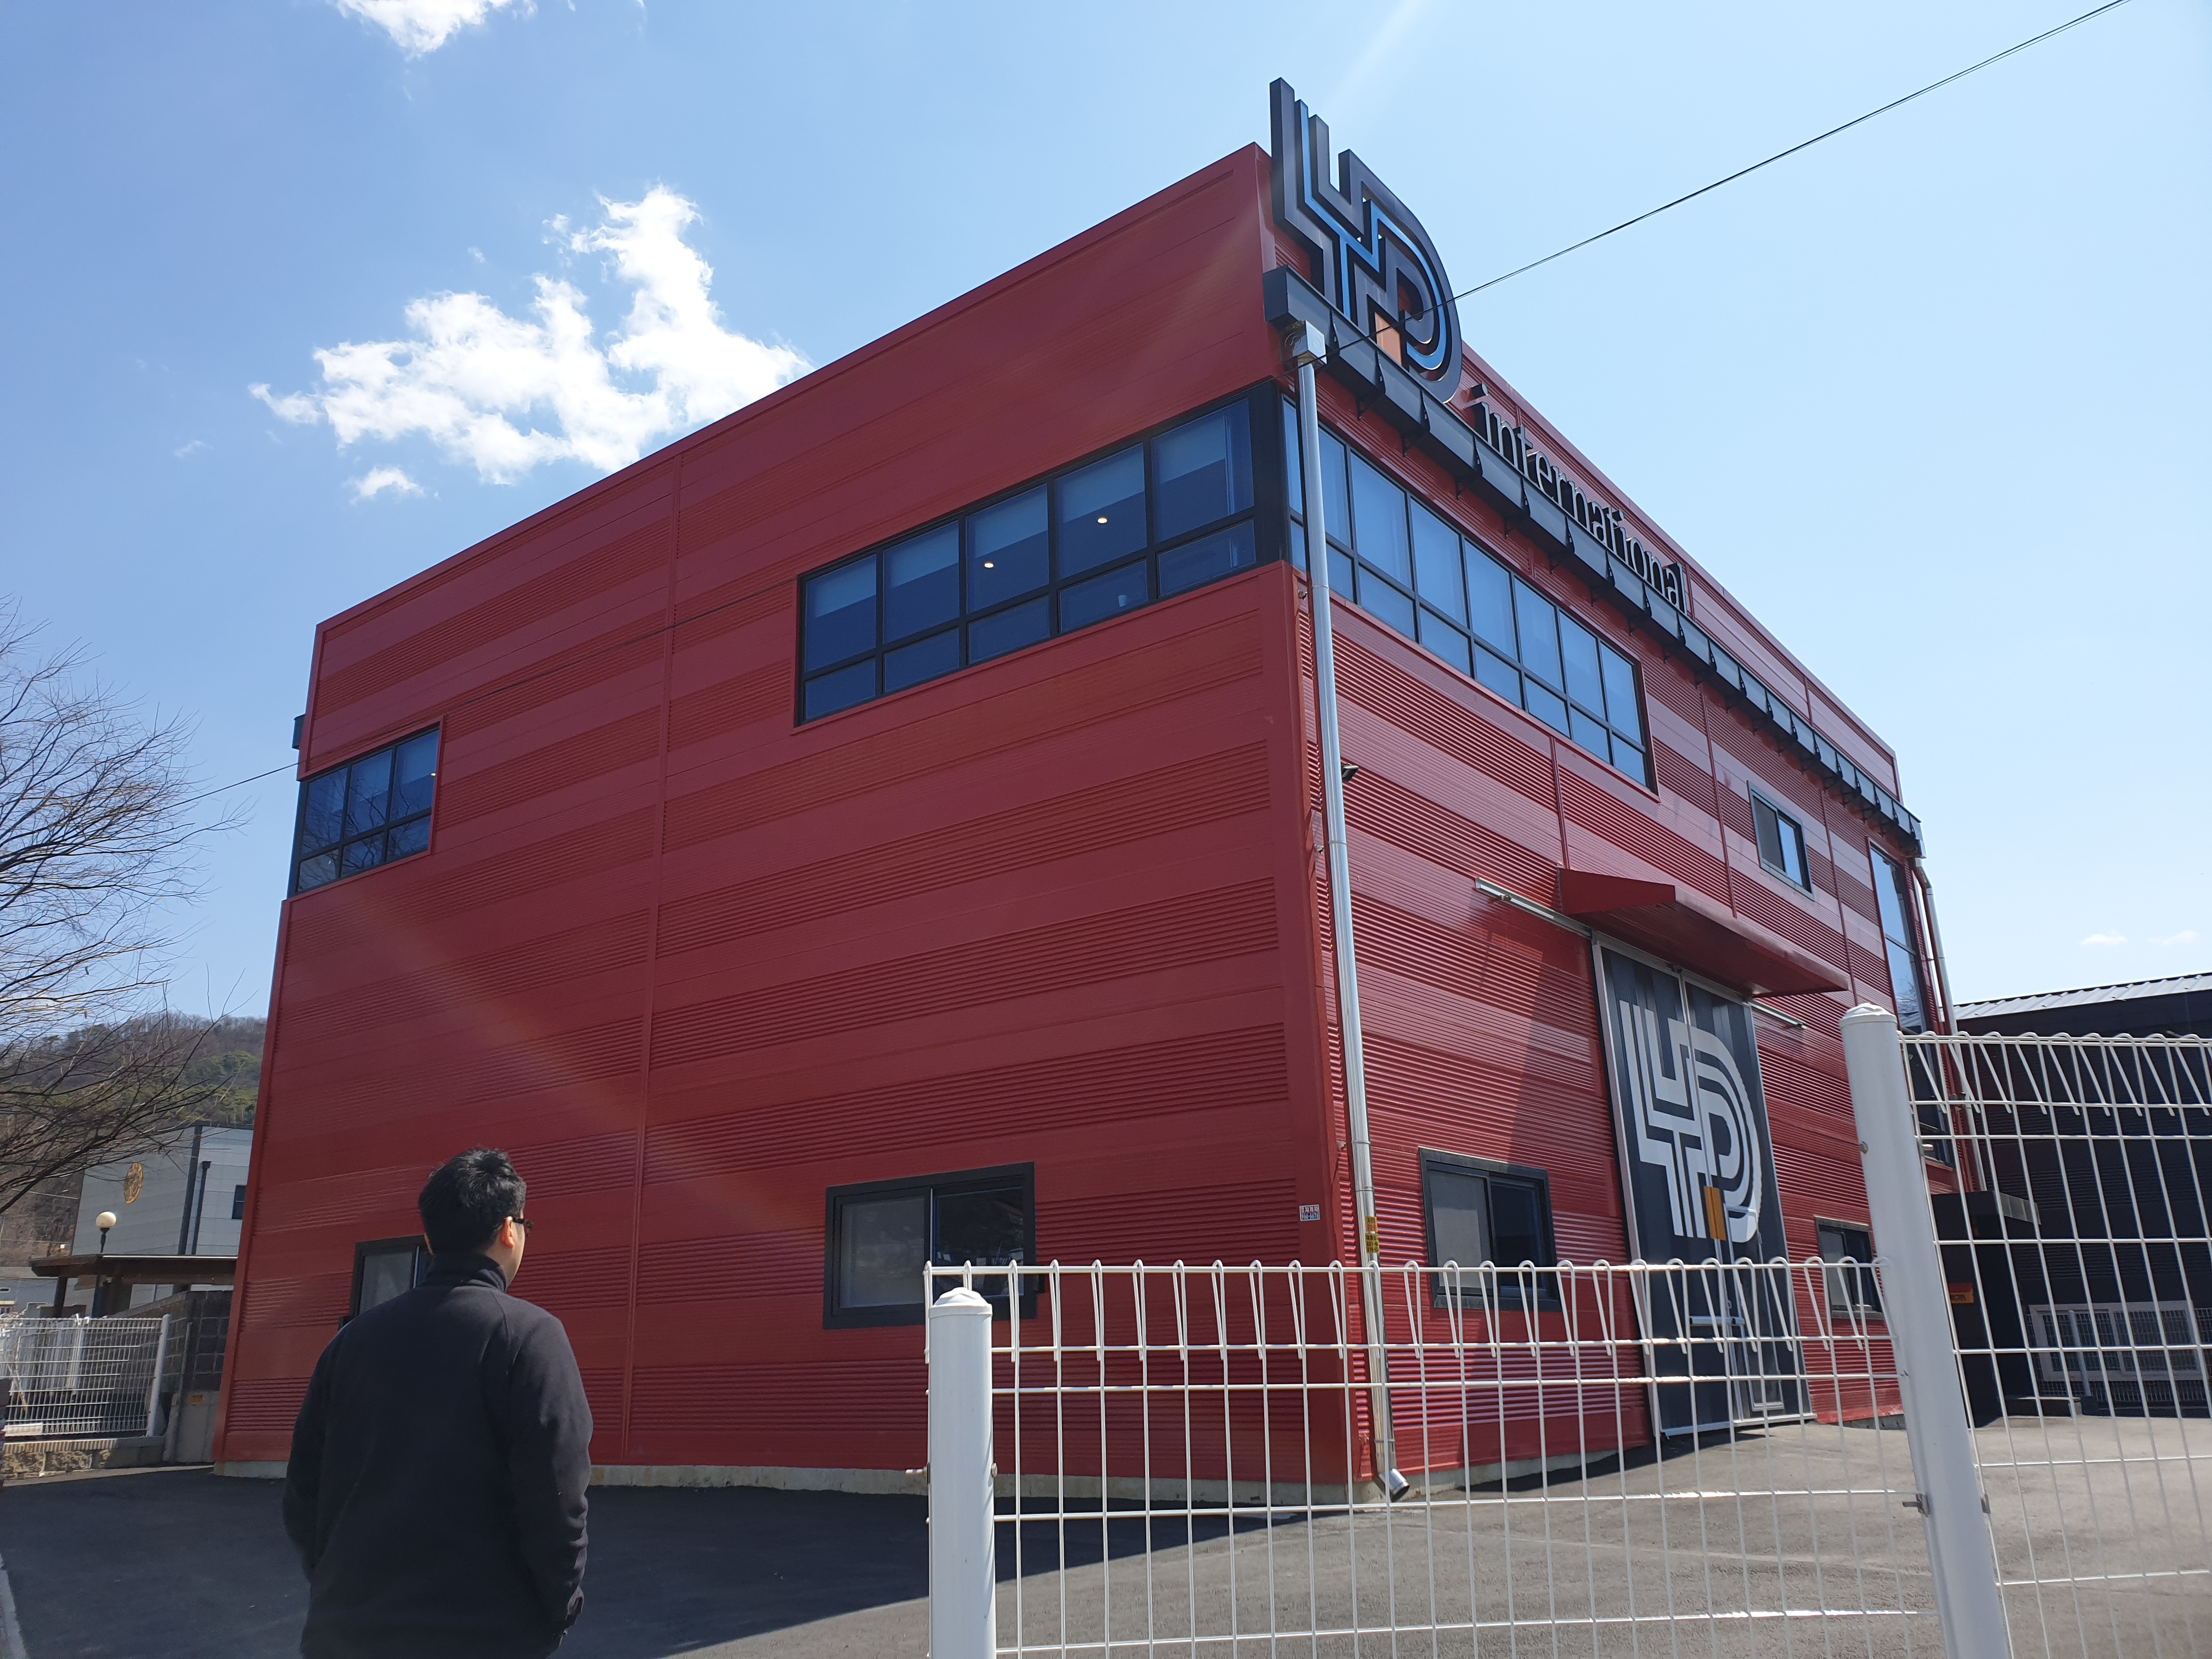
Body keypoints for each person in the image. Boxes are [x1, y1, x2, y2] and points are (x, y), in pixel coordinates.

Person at [283, 1148, 591, 1658]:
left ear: (429, 1240)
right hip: (483, 1634)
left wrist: (339, 1585)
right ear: (509, 1230)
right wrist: (558, 1607)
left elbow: (302, 1492)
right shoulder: (530, 1338)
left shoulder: (351, 1342)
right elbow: (556, 1495)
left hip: (346, 1631)